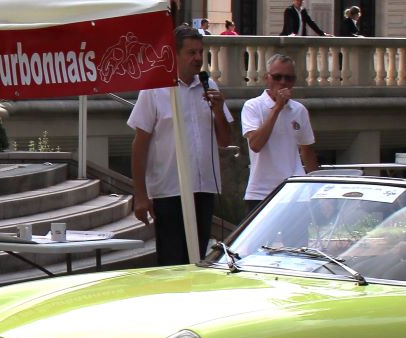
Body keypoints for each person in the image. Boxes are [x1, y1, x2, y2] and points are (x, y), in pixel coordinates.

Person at [129, 25, 234, 265]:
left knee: (197, 259)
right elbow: (140, 144)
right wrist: (141, 195)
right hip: (169, 190)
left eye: (200, 52)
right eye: (191, 53)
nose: (198, 58)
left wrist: (218, 110)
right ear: (174, 55)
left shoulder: (210, 87)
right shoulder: (155, 88)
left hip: (203, 188)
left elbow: (225, 140)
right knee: (172, 261)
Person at [240, 52, 317, 215]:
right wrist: (277, 108)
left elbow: (307, 151)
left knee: (297, 241)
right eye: (277, 77)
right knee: (258, 241)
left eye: (288, 78)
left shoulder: (299, 110)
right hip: (261, 192)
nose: (282, 82)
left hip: (295, 192)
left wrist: (317, 190)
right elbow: (255, 144)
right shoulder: (252, 106)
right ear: (267, 78)